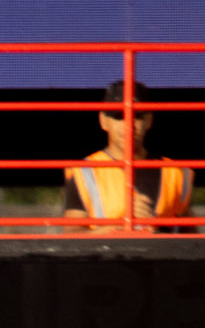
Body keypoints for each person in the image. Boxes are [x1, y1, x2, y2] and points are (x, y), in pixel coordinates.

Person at [63, 79, 193, 227]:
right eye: (119, 116)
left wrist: (153, 227)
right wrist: (122, 225)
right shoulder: (84, 171)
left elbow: (189, 234)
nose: (128, 125)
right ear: (103, 121)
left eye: (137, 116)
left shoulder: (175, 172)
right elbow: (72, 232)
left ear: (149, 120)